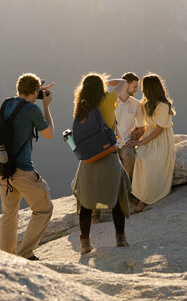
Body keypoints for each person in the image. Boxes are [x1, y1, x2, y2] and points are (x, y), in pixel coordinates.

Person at [0, 73, 54, 260]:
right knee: (44, 209)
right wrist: (45, 106)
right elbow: (49, 133)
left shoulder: (7, 103)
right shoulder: (32, 109)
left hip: (3, 167)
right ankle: (25, 254)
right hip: (22, 170)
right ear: (35, 91)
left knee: (9, 213)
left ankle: (5, 258)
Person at [72, 73, 131, 253]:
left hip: (88, 161)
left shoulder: (80, 108)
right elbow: (123, 83)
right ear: (101, 89)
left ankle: (85, 242)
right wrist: (105, 82)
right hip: (108, 155)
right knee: (118, 196)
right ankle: (120, 238)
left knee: (85, 201)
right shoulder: (107, 100)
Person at [129, 73, 176, 213]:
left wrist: (141, 142)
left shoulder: (163, 105)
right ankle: (137, 193)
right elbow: (141, 123)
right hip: (149, 135)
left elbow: (159, 129)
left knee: (149, 161)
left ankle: (143, 200)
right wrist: (134, 133)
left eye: (144, 87)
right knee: (138, 157)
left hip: (160, 140)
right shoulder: (145, 102)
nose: (142, 90)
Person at [115, 72, 145, 181]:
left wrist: (135, 139)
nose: (137, 89)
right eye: (135, 86)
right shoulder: (110, 101)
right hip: (109, 142)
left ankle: (127, 188)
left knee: (130, 157)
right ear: (125, 85)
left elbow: (142, 127)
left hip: (126, 142)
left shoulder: (136, 104)